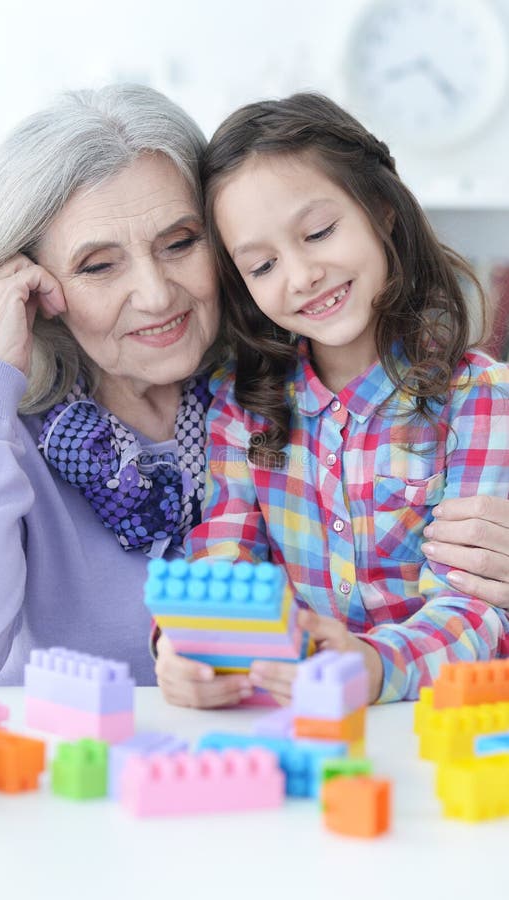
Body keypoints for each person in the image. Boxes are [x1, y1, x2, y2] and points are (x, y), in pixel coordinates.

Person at [157, 92, 509, 706]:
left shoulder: (477, 400)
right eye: (262, 266)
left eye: (319, 232)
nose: (301, 276)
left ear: (381, 208)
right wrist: (190, 648)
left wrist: (373, 665)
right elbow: (224, 564)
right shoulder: (241, 407)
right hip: (293, 720)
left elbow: (475, 607)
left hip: (431, 722)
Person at [0, 84, 225, 689]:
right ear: (34, 286)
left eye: (180, 243)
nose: (156, 294)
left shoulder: (283, 401)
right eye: (99, 266)